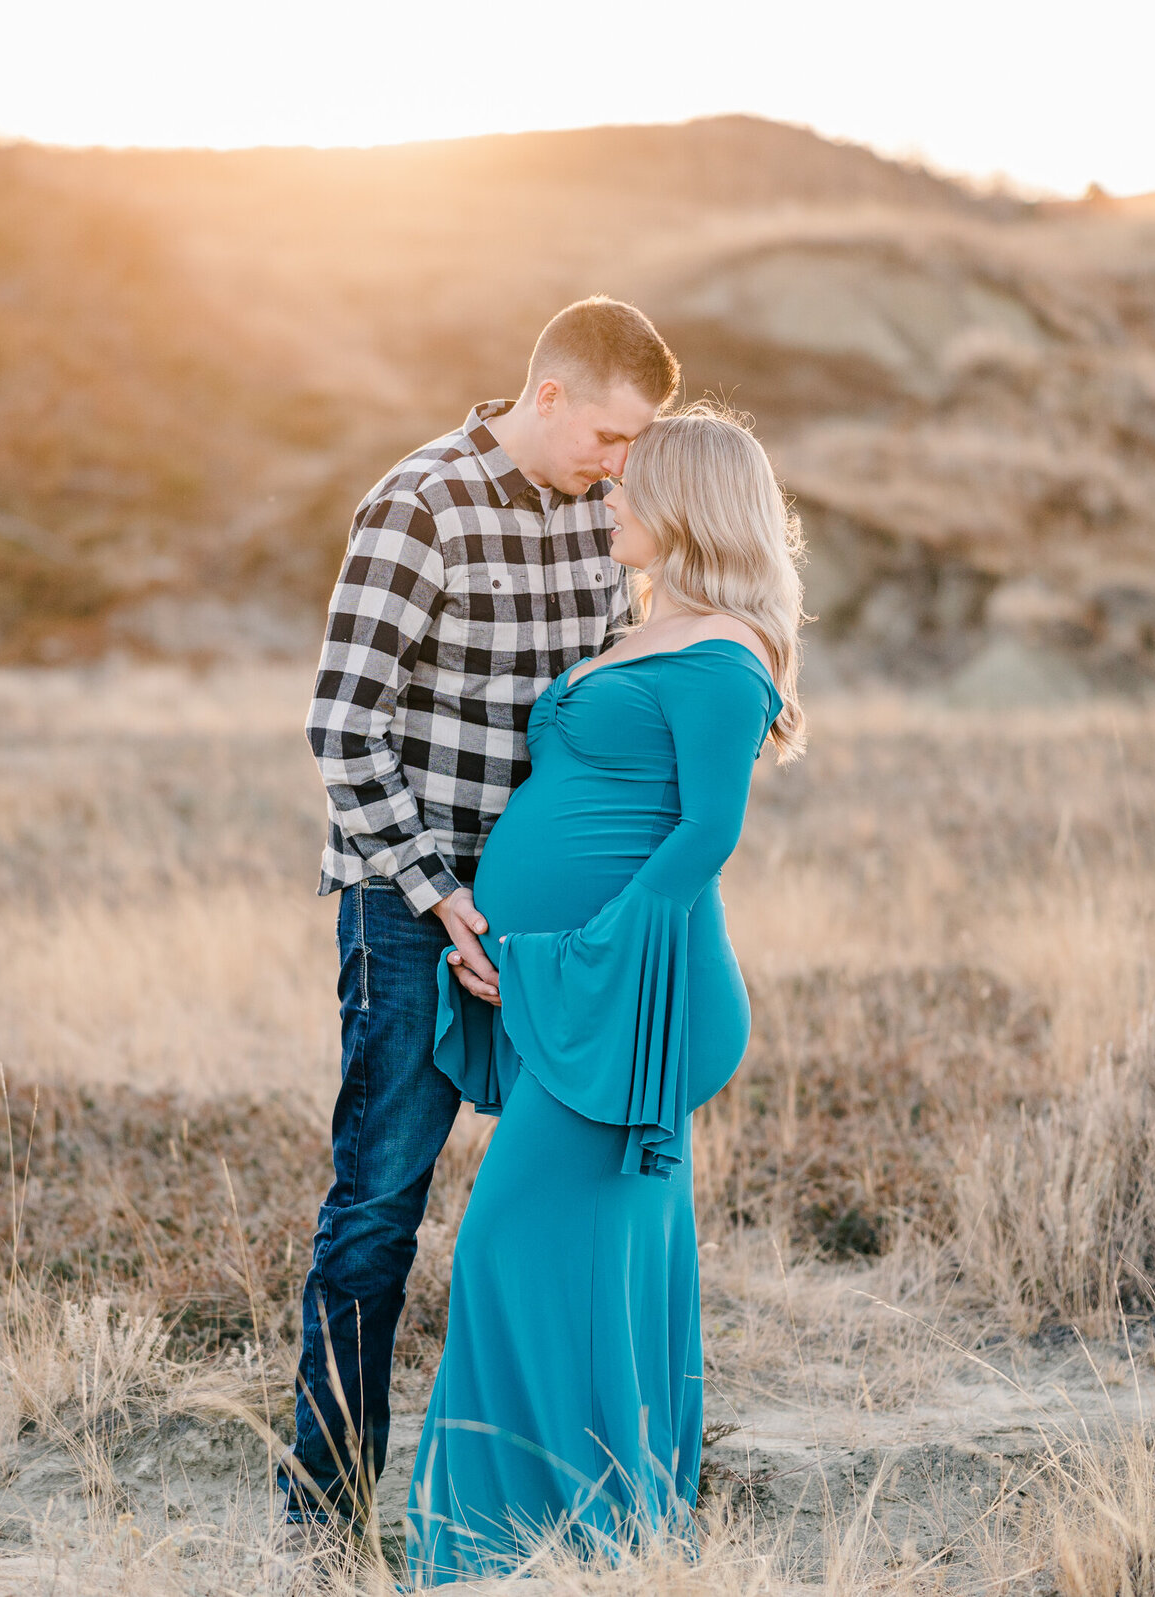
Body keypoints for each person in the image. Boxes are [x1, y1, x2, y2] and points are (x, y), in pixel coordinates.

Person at [290, 297, 682, 1547]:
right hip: (412, 908)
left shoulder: (600, 517)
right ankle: (323, 1513)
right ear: (550, 393)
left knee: (576, 1192)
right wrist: (436, 894)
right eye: (612, 435)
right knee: (380, 1206)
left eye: (640, 447)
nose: (622, 467)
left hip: (545, 922)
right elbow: (340, 725)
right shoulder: (421, 505)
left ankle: (563, 1500)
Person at [405, 405, 807, 1583]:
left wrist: (576, 955)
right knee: (596, 1256)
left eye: (629, 488)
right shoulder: (650, 630)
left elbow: (703, 837)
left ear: (686, 503)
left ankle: (510, 1546)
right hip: (560, 982)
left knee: (510, 1249)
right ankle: (602, 1536)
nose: (608, 503)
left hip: (622, 995)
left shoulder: (725, 655)